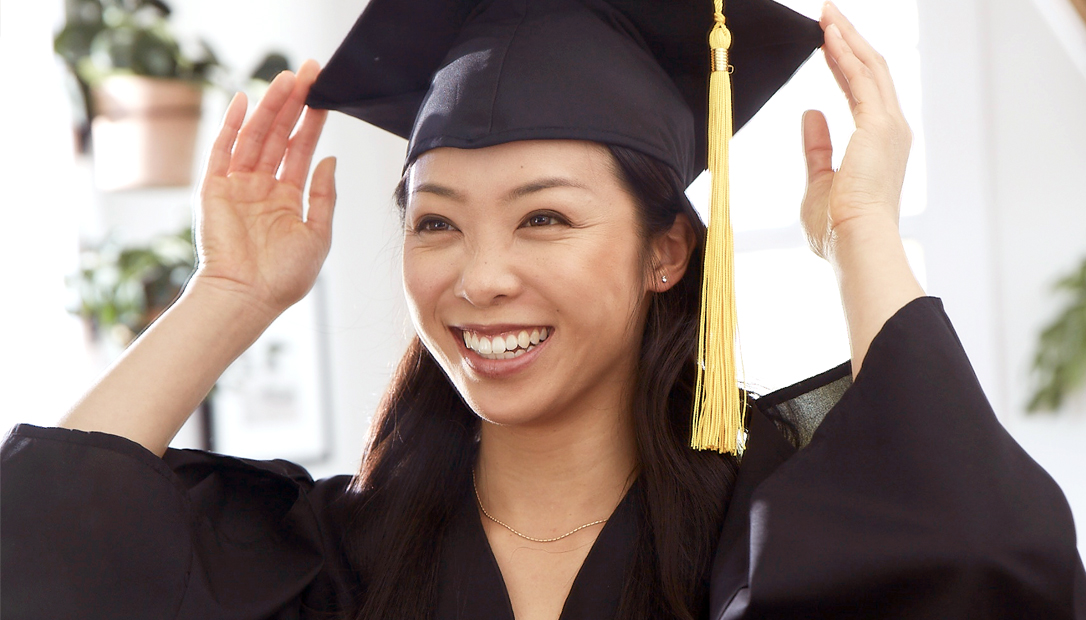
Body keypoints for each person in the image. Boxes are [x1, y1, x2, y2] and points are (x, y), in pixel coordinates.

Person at [2, 0, 1083, 618]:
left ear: (667, 251)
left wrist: (862, 233)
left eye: (545, 219)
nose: (478, 278)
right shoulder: (337, 553)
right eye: (436, 222)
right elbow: (39, 551)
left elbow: (987, 558)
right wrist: (229, 295)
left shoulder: (767, 526)